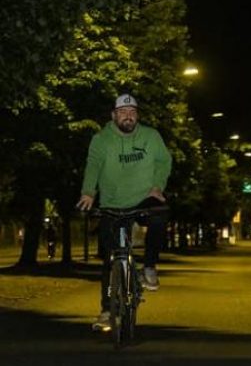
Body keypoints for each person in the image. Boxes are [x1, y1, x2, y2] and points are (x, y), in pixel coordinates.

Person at [76, 93, 171, 331]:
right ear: (113, 115)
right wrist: (88, 192)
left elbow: (164, 161)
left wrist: (157, 186)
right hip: (113, 203)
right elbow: (93, 165)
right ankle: (107, 311)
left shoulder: (151, 136)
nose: (128, 117)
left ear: (137, 115)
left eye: (132, 113)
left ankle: (148, 266)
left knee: (160, 216)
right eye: (122, 113)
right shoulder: (101, 140)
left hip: (144, 199)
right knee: (111, 258)